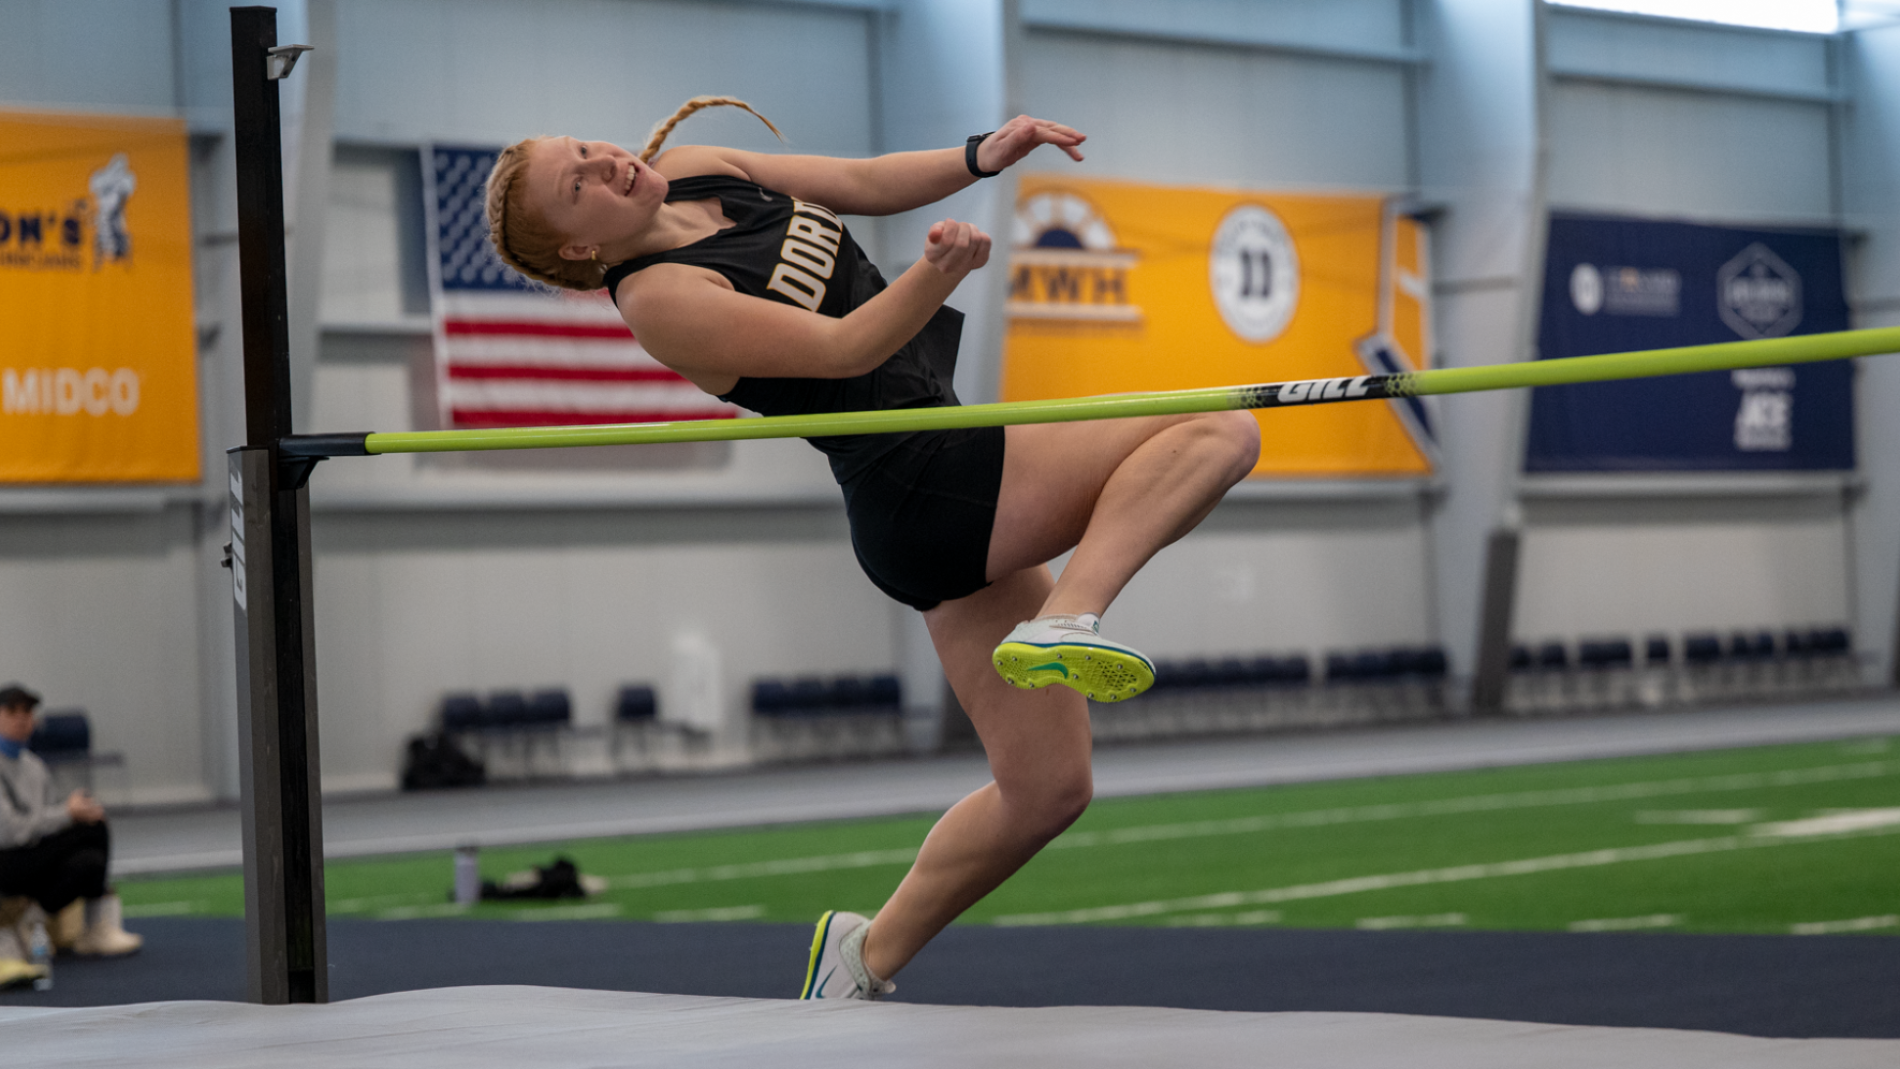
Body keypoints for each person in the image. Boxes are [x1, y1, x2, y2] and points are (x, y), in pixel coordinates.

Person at [484, 98, 1260, 999]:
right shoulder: (660, 299)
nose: (606, 161)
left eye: (588, 146)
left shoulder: (700, 164)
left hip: (939, 471)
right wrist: (938, 274)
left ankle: (864, 958)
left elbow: (856, 184)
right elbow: (847, 348)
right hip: (919, 480)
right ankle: (1069, 617)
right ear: (579, 248)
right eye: (578, 184)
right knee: (1217, 430)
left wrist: (981, 154)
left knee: (1045, 790)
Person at [0, 682, 141, 985]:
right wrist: (68, 813)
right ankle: (93, 925)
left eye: (28, 711)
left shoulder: (34, 766)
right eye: (12, 711)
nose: (22, 718)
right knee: (88, 827)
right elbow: (8, 832)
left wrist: (74, 811)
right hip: (7, 860)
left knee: (90, 853)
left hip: (35, 855)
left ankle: (51, 920)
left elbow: (49, 816)